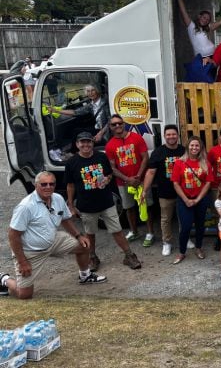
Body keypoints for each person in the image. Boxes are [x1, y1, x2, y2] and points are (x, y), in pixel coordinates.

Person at [1, 172, 107, 299]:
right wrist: (22, 262)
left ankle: (85, 276)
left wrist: (79, 236)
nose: (48, 187)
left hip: (53, 240)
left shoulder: (57, 198)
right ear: (36, 185)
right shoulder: (26, 206)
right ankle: (4, 279)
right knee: (24, 294)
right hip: (31, 251)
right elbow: (13, 235)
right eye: (44, 184)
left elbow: (65, 219)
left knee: (84, 245)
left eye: (51, 184)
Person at [66, 132, 141, 271]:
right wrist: (71, 205)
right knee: (90, 233)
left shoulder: (101, 156)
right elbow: (70, 185)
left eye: (88, 142)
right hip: (86, 205)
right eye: (82, 142)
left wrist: (107, 179)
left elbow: (109, 174)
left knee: (117, 230)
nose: (86, 145)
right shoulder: (72, 162)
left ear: (92, 143)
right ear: (77, 145)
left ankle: (129, 256)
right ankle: (93, 257)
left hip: (106, 202)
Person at [105, 115, 153, 244]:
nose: (117, 126)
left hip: (141, 179)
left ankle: (150, 233)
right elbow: (112, 167)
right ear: (110, 127)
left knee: (146, 206)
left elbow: (145, 158)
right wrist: (128, 179)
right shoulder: (109, 145)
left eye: (119, 123)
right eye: (114, 124)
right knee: (128, 207)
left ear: (124, 123)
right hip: (123, 182)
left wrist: (138, 176)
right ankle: (134, 232)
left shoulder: (136, 138)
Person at [142, 124, 186, 256]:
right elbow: (150, 172)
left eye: (173, 134)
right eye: (168, 134)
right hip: (165, 193)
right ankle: (167, 243)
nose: (171, 137)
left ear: (177, 135)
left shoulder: (184, 151)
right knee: (166, 219)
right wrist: (145, 190)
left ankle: (186, 239)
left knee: (183, 218)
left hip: (183, 192)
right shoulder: (158, 152)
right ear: (164, 136)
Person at [171, 136, 213, 264]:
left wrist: (198, 199)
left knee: (200, 225)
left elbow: (208, 183)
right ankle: (182, 252)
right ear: (187, 147)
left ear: (200, 148)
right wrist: (186, 200)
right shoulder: (180, 162)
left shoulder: (205, 163)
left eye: (197, 146)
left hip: (200, 199)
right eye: (192, 145)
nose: (194, 148)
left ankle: (198, 247)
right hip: (184, 200)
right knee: (186, 226)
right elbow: (176, 183)